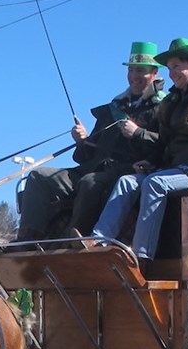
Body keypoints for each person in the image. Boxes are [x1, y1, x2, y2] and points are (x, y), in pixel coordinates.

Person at [92, 37, 188, 262]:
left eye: (177, 66)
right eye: (170, 68)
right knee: (127, 182)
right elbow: (165, 140)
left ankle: (142, 256)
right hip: (176, 168)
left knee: (155, 183)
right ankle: (99, 242)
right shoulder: (174, 99)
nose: (172, 73)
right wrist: (151, 162)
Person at [12, 41, 166, 241]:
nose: (134, 76)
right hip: (92, 168)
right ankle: (25, 240)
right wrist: (82, 140)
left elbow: (165, 144)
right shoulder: (113, 108)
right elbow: (86, 155)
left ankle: (75, 240)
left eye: (141, 71)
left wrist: (138, 133)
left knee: (90, 182)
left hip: (125, 171)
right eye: (132, 70)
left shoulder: (163, 107)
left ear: (154, 73)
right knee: (38, 176)